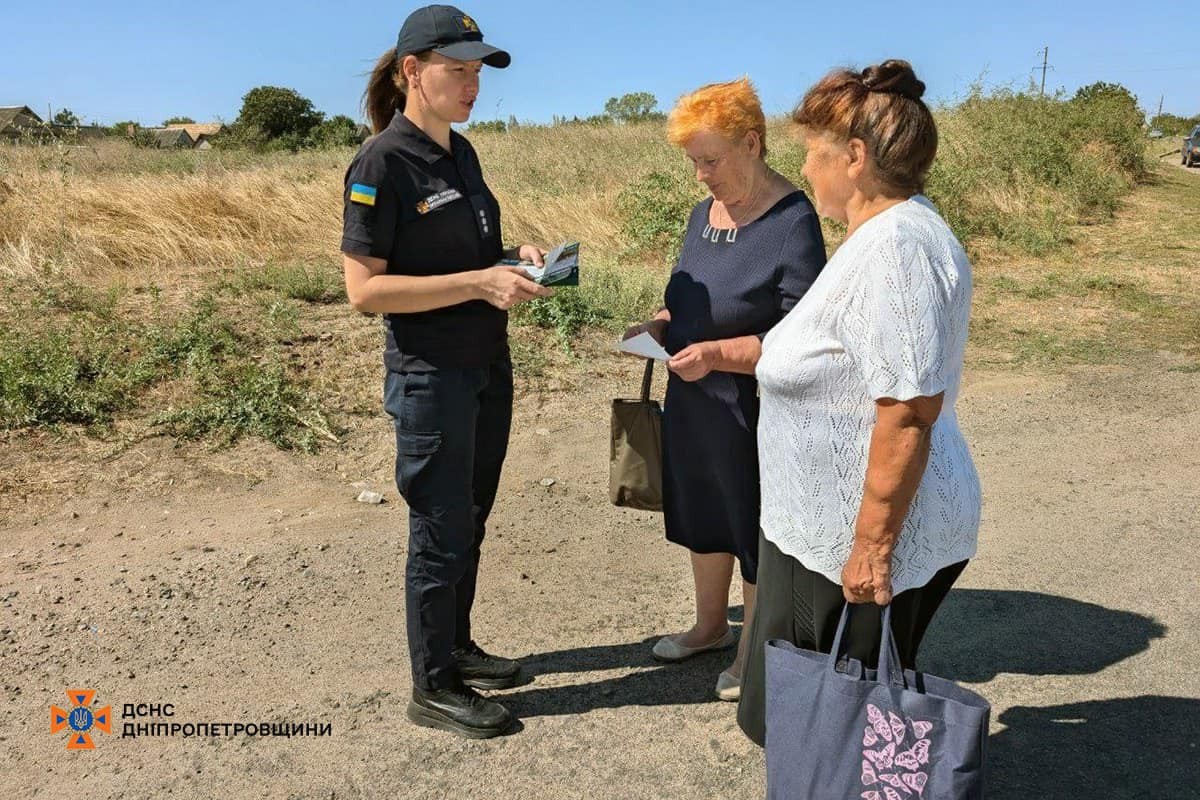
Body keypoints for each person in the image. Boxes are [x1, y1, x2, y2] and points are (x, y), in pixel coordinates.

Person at [737, 60, 983, 745]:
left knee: (829, 725)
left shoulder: (896, 247)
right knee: (822, 717)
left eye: (814, 154)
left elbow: (908, 410)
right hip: (822, 526)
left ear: (855, 157)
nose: (807, 172)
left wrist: (872, 547)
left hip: (852, 538)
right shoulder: (882, 236)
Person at [340, 5, 554, 739]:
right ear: (412, 71)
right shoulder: (380, 164)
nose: (472, 86)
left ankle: (455, 648)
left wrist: (515, 257)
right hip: (431, 376)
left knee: (471, 517)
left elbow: (468, 252)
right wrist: (476, 284)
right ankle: (431, 686)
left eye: (476, 74)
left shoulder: (461, 154)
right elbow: (365, 290)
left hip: (485, 366)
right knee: (439, 527)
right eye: (457, 71)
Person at [623, 78, 826, 702]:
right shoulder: (700, 214)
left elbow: (803, 337)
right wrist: (660, 324)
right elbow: (685, 293)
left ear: (752, 143)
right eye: (694, 162)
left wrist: (717, 355)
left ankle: (751, 650)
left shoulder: (794, 222)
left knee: (753, 530)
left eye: (710, 160)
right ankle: (711, 626)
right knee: (704, 516)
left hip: (754, 407)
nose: (701, 174)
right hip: (693, 401)